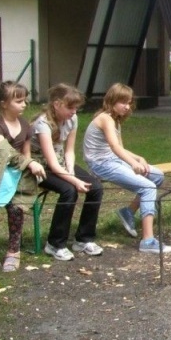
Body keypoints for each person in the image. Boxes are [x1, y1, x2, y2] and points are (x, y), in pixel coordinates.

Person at [83, 83, 171, 254]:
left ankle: (128, 212)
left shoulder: (115, 121)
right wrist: (133, 164)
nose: (127, 106)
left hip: (112, 160)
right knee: (148, 187)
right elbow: (115, 147)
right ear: (111, 101)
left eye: (129, 102)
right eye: (123, 102)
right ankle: (148, 241)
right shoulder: (105, 118)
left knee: (157, 176)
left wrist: (138, 158)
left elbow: (120, 148)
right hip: (101, 164)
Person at [31, 84, 103, 261]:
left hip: (61, 163)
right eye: (70, 107)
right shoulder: (43, 124)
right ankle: (55, 244)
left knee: (96, 187)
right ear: (57, 104)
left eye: (76, 107)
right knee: (68, 191)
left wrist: (71, 171)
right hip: (41, 167)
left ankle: (84, 239)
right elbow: (51, 164)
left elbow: (69, 150)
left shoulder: (73, 119)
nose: (74, 111)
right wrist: (73, 181)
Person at [0, 81, 46, 272]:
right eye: (18, 101)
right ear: (3, 103)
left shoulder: (25, 125)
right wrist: (30, 163)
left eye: (24, 100)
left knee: (16, 208)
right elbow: (5, 152)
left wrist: (29, 165)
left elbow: (26, 154)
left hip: (16, 177)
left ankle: (13, 251)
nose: (24, 104)